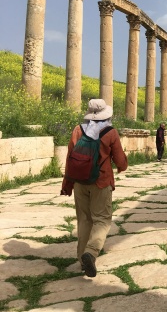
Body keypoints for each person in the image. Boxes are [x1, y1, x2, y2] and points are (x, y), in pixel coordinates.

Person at [60, 99, 128, 278]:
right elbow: (120, 159)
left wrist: (67, 184)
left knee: (84, 220)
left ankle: (82, 260)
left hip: (80, 182)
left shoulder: (77, 130)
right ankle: (91, 252)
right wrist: (122, 166)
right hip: (101, 181)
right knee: (102, 220)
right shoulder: (110, 132)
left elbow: (70, 158)